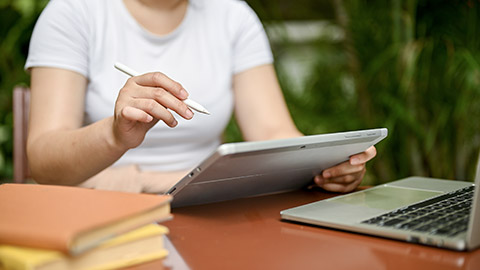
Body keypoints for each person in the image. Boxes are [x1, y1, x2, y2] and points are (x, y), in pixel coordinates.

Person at [25, 0, 376, 194]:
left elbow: (272, 132)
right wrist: (114, 135)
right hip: (101, 213)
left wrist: (324, 166)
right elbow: (43, 162)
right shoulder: (72, 13)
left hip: (204, 204)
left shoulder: (233, 16)